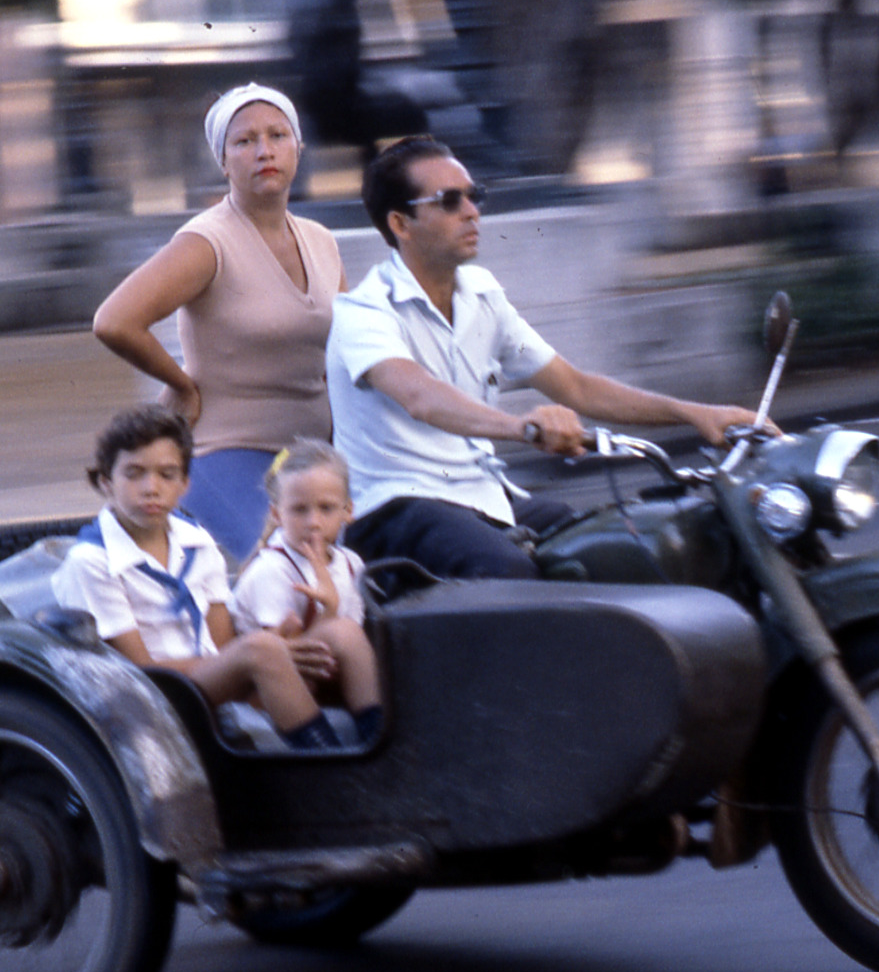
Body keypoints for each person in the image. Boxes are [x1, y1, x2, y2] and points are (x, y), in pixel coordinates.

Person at [327, 135, 760, 578]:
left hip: (483, 495)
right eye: (450, 201)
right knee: (511, 571)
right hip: (394, 507)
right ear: (401, 224)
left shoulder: (482, 296)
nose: (472, 211)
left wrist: (697, 413)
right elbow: (421, 396)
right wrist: (523, 428)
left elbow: (575, 387)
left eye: (474, 197)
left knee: (614, 546)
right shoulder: (364, 312)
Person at [91, 83, 347, 564]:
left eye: (277, 135)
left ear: (298, 148)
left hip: (313, 462)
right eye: (244, 141)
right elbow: (114, 321)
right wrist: (181, 386)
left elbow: (348, 350)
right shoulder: (208, 241)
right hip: (230, 452)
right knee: (288, 571)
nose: (264, 150)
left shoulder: (320, 240)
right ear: (223, 161)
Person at [52, 405, 370, 751]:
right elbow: (137, 669)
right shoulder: (92, 562)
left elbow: (223, 644)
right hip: (155, 694)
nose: (151, 488)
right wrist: (256, 654)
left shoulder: (197, 542)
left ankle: (379, 742)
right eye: (134, 473)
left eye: (167, 475)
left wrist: (273, 650)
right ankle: (327, 761)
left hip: (214, 679)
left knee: (341, 632)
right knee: (263, 649)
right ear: (105, 482)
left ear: (185, 484)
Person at [230, 439, 382, 746]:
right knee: (344, 633)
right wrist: (327, 611)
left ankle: (379, 730)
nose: (313, 522)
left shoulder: (350, 562)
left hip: (324, 673)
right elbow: (275, 655)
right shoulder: (273, 569)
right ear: (276, 513)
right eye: (299, 510)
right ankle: (332, 745)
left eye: (326, 508)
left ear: (348, 510)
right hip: (268, 687)